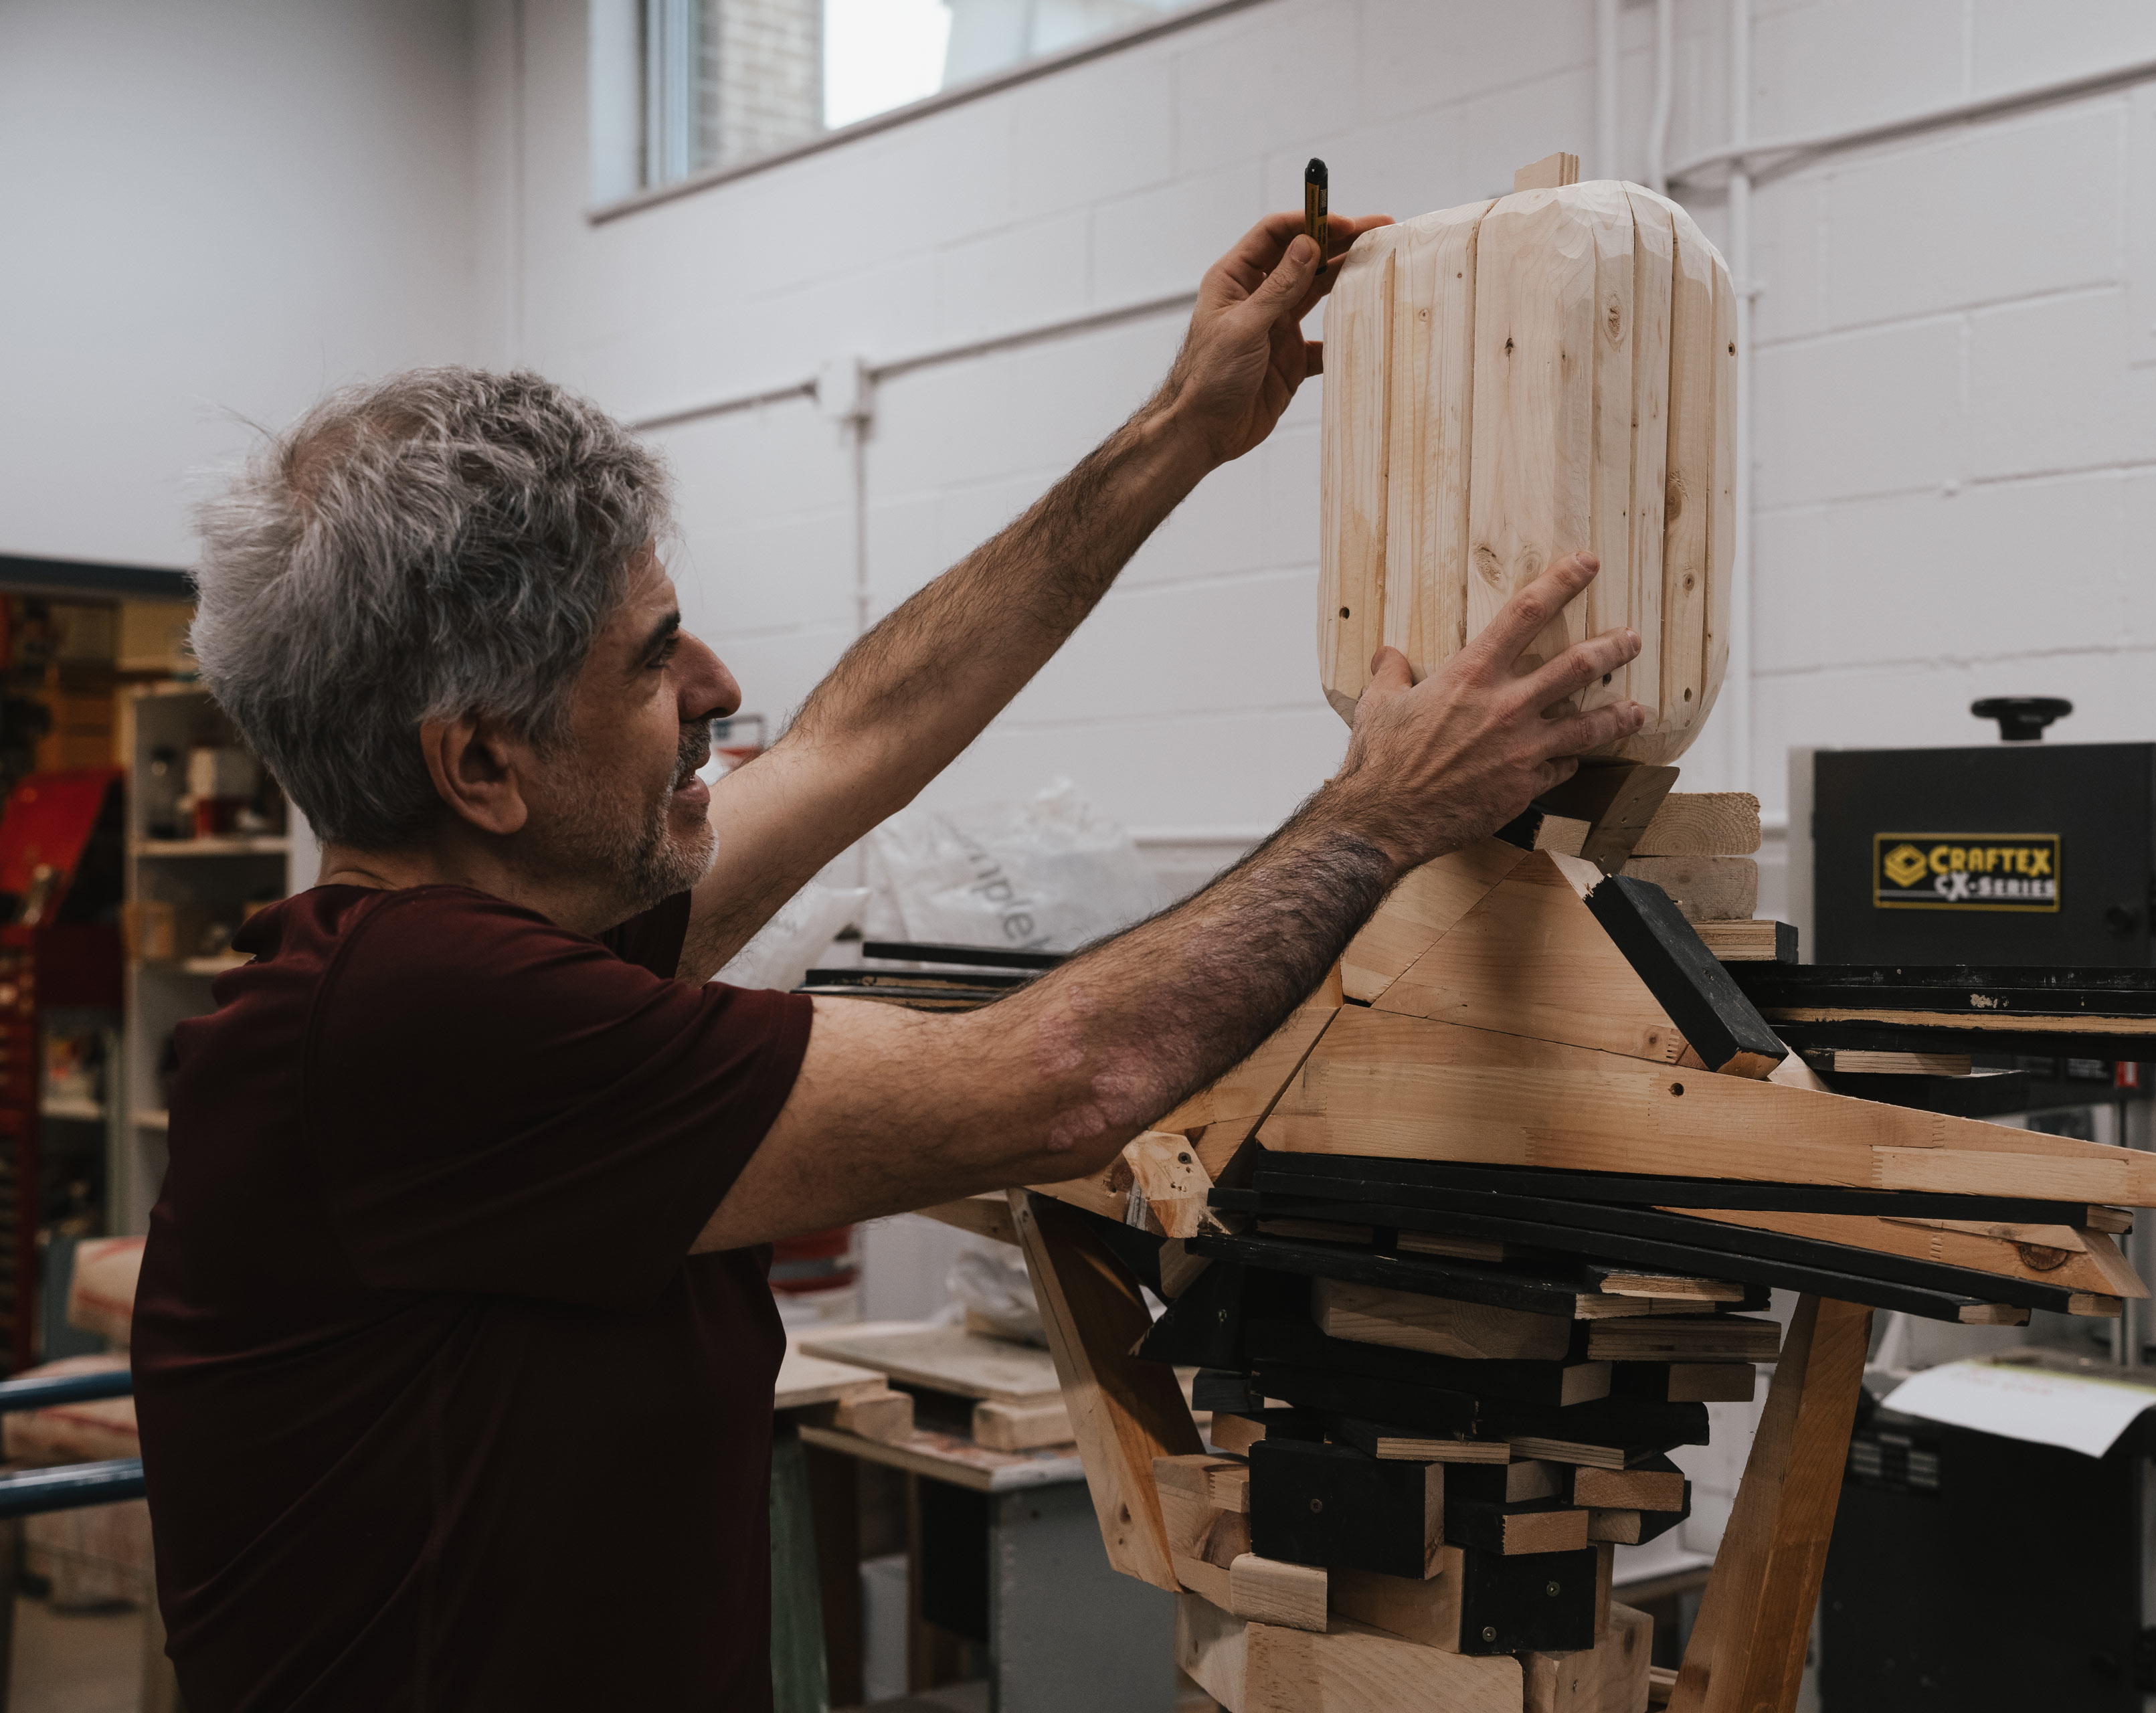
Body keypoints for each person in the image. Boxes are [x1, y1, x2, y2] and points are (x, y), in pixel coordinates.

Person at [131, 209, 1644, 1710]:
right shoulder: (423, 1023)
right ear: (480, 767)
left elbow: (862, 737)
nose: (720, 686)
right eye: (653, 658)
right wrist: (1377, 814)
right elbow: (1061, 1080)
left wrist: (1182, 429)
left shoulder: (485, 947)